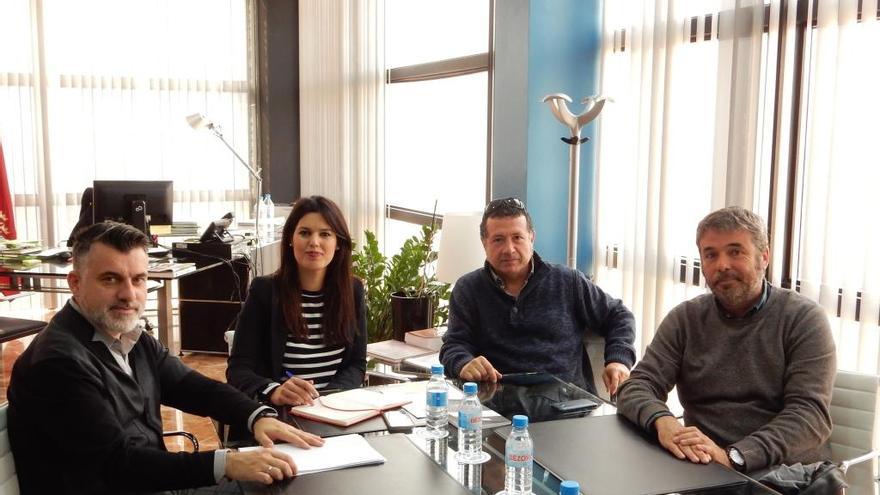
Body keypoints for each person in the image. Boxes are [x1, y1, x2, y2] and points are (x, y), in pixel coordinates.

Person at [7, 221, 324, 494]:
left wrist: (258, 416)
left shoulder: (130, 337)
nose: (129, 295)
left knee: (294, 481)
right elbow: (119, 465)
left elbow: (193, 386)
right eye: (110, 279)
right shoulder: (58, 363)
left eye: (138, 279)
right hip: (125, 485)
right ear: (75, 283)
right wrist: (229, 462)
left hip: (153, 484)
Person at [616, 206, 836, 474]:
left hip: (782, 474)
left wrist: (735, 456)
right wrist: (663, 421)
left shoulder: (803, 319)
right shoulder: (686, 319)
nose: (722, 265)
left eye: (735, 251)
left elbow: (809, 417)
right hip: (704, 467)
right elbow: (637, 386)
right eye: (711, 255)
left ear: (763, 257)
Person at [439, 197, 636, 396]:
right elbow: (454, 345)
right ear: (484, 243)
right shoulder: (468, 289)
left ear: (531, 238)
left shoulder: (568, 282)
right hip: (497, 404)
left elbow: (619, 315)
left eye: (517, 237)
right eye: (498, 239)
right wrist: (463, 363)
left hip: (566, 405)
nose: (509, 249)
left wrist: (619, 359)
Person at [227, 195, 366, 409]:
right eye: (305, 233)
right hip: (279, 414)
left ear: (338, 243)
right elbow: (238, 369)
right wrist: (274, 390)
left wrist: (329, 399)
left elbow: (356, 364)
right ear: (291, 239)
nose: (314, 242)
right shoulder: (265, 291)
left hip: (335, 411)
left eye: (325, 234)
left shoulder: (353, 290)